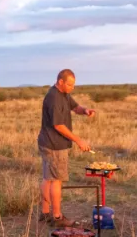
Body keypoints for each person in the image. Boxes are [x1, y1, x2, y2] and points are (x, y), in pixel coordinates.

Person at [37, 69, 96, 227]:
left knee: (48, 177)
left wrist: (84, 111)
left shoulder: (63, 94)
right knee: (56, 180)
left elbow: (75, 107)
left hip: (48, 142)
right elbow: (58, 125)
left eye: (73, 85)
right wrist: (79, 140)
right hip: (54, 144)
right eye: (70, 84)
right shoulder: (54, 98)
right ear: (60, 82)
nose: (72, 87)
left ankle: (44, 212)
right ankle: (57, 217)